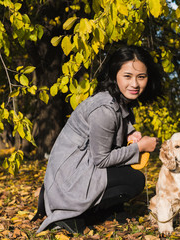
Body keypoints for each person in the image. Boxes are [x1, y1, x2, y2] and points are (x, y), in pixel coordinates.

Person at [34, 45, 163, 234]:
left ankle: (107, 210)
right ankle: (71, 211)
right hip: (70, 177)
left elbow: (111, 131)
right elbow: (101, 159)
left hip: (79, 169)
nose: (134, 84)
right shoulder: (104, 108)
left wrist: (130, 134)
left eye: (141, 77)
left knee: (127, 172)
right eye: (127, 76)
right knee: (134, 180)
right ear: (114, 76)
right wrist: (140, 147)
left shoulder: (116, 101)